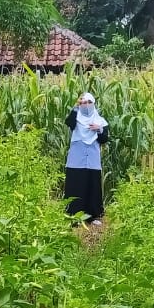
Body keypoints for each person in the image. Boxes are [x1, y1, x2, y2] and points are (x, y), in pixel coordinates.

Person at [64, 92, 108, 226]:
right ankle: (73, 216)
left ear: (93, 104)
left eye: (89, 102)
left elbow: (104, 139)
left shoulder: (100, 121)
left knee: (92, 186)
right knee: (76, 186)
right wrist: (76, 107)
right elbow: (68, 122)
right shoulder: (76, 118)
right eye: (83, 103)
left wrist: (99, 129)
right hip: (76, 160)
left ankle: (93, 216)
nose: (86, 105)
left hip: (92, 161)